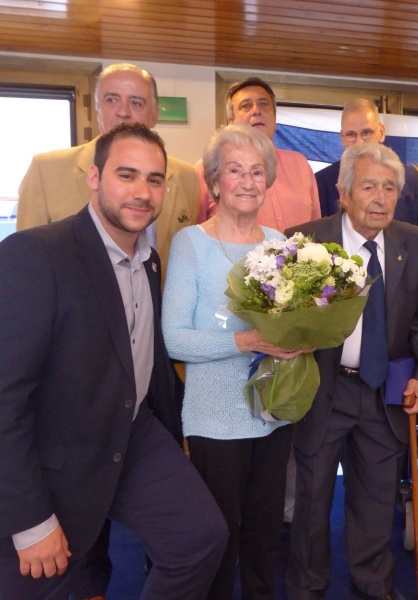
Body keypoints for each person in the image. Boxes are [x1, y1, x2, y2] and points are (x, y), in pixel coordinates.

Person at [0, 123, 227, 600]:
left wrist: (177, 442)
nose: (141, 192)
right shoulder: (31, 255)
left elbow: (142, 365)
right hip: (37, 458)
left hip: (127, 436)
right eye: (126, 175)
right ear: (94, 178)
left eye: (154, 180)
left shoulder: (148, 259)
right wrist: (29, 522)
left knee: (200, 540)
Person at [285, 143, 418, 600]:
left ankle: (372, 588)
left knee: (374, 506)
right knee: (311, 505)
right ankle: (308, 589)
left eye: (389, 188)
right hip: (323, 391)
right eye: (369, 186)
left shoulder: (415, 243)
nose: (380, 197)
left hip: (382, 394)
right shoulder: (306, 241)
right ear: (344, 192)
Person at [162, 124, 300, 600]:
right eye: (235, 170)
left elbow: (293, 321)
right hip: (214, 418)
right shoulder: (190, 243)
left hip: (271, 412)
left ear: (268, 181)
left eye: (256, 171)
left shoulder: (282, 241)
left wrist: (296, 339)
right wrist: (245, 340)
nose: (246, 181)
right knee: (218, 536)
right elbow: (174, 339)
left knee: (265, 535)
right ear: (215, 181)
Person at [17, 62, 199, 279]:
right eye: (111, 100)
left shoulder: (186, 177)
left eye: (136, 102)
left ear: (154, 115)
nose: (123, 112)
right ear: (97, 110)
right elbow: (26, 264)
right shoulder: (46, 171)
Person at [196, 76, 320, 231]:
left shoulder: (300, 164)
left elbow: (317, 229)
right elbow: (198, 229)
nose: (256, 110)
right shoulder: (208, 167)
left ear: (275, 119)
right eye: (246, 106)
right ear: (231, 122)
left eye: (263, 104)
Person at [315, 98, 418, 227]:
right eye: (351, 135)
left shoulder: (409, 177)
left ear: (381, 132)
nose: (359, 142)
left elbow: (417, 238)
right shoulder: (322, 181)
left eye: (366, 133)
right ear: (342, 138)